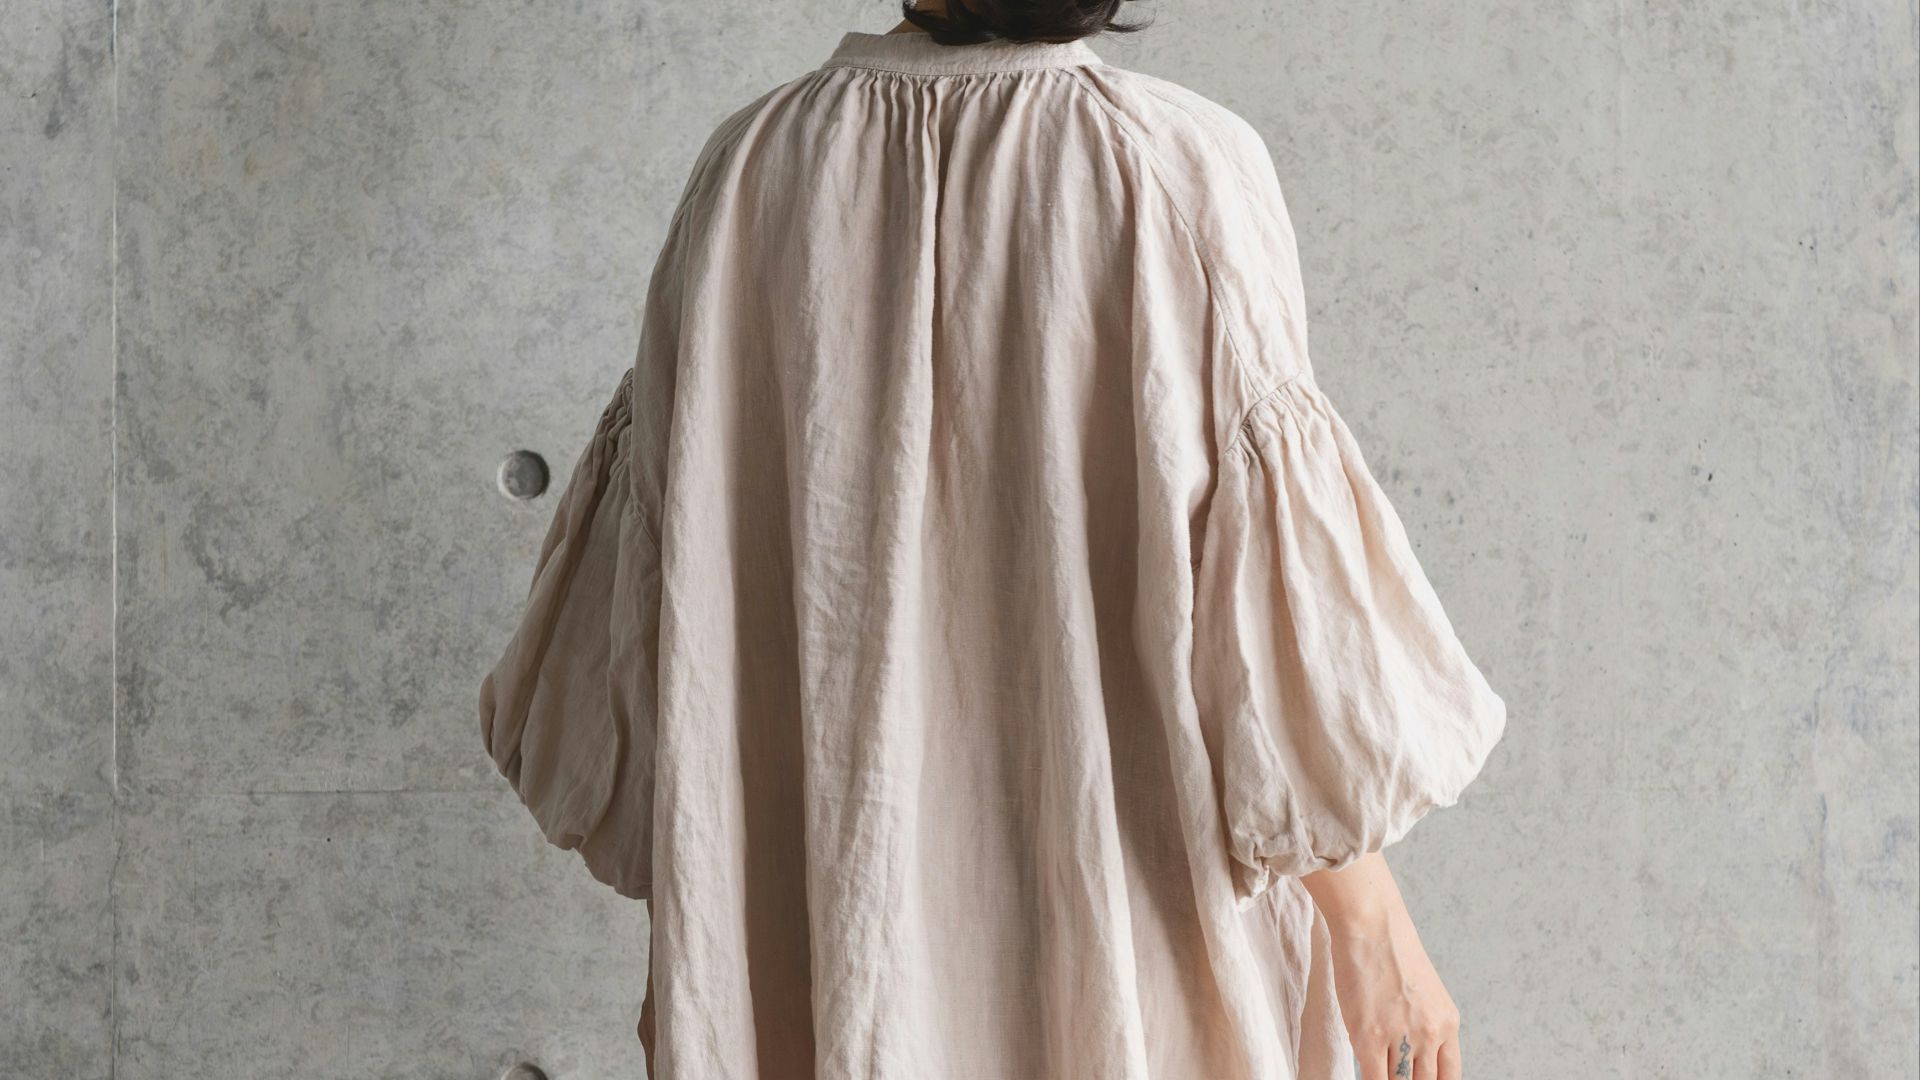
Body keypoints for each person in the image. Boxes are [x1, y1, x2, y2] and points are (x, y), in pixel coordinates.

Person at [477, 2, 1508, 1077]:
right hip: (1131, 946)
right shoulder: (1175, 167)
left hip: (823, 958)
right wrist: (1372, 926)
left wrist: (696, 961)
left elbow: (660, 614)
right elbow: (1271, 632)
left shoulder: (746, 173)